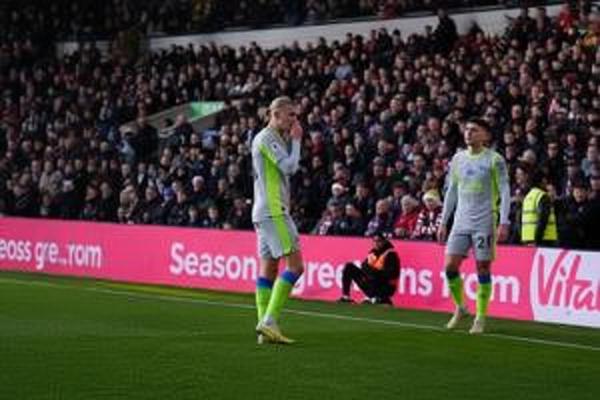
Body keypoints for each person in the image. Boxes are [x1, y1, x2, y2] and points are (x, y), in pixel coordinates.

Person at [437, 118, 511, 334]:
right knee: (450, 267)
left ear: (485, 135)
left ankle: (480, 316)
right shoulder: (458, 159)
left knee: (483, 268)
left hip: (484, 221)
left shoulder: (495, 160)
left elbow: (505, 191)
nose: (468, 133)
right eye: (467, 129)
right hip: (460, 221)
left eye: (474, 130)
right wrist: (443, 221)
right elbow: (451, 191)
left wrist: (504, 221)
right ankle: (461, 308)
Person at [252, 96, 304, 344]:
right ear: (276, 115)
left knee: (269, 270)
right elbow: (290, 168)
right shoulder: (267, 138)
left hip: (263, 212)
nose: (294, 119)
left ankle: (264, 328)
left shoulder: (272, 138)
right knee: (296, 267)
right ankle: (269, 321)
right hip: (273, 212)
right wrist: (297, 141)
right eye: (290, 114)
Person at [338, 232, 400, 305]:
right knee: (349, 267)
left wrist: (374, 271)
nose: (376, 243)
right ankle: (346, 297)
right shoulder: (373, 252)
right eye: (374, 241)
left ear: (384, 241)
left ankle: (380, 298)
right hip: (371, 282)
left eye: (379, 241)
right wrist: (370, 271)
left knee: (375, 274)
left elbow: (392, 274)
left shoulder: (390, 254)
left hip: (385, 286)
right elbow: (364, 266)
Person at [521, 170, 558, 247]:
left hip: (527, 240)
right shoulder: (542, 196)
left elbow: (519, 219)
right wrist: (537, 240)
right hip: (544, 240)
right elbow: (542, 219)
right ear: (543, 180)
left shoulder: (527, 197)